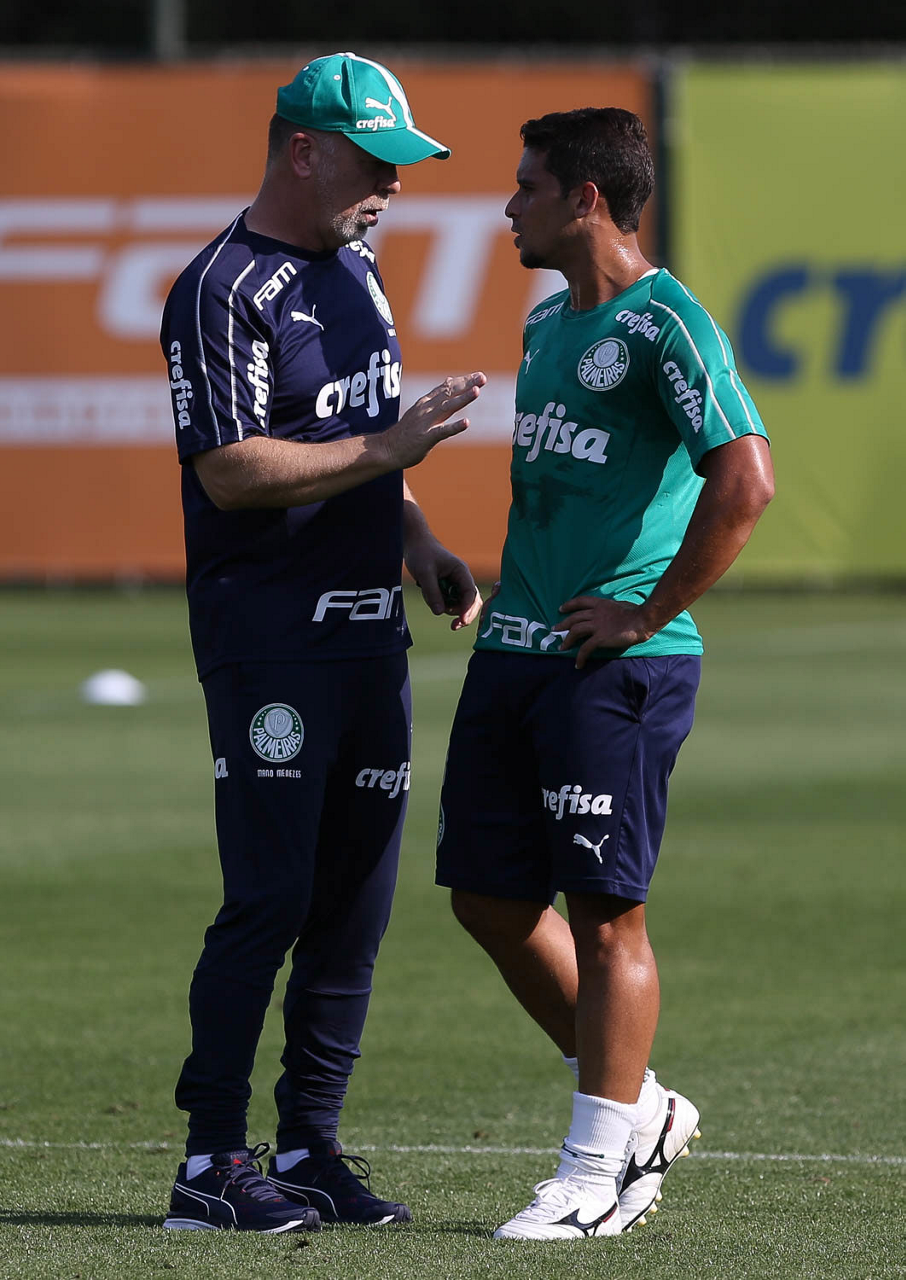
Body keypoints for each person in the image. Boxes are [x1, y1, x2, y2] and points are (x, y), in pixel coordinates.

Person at [158, 52, 485, 1235]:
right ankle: (208, 1162)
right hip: (269, 641)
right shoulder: (220, 287)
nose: (392, 187)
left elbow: (358, 435)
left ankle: (309, 1144)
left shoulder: (358, 270)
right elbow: (230, 468)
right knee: (270, 896)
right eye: (374, 163)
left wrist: (416, 536)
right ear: (303, 150)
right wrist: (391, 454)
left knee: (352, 906)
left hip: (366, 636)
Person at [436, 107, 774, 1241]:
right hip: (512, 652)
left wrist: (646, 611)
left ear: (585, 199)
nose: (508, 206)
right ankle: (642, 1105)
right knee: (487, 898)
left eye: (527, 186)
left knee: (604, 916)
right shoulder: (547, 323)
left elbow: (745, 479)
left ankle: (593, 1173)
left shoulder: (668, 324)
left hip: (611, 667)